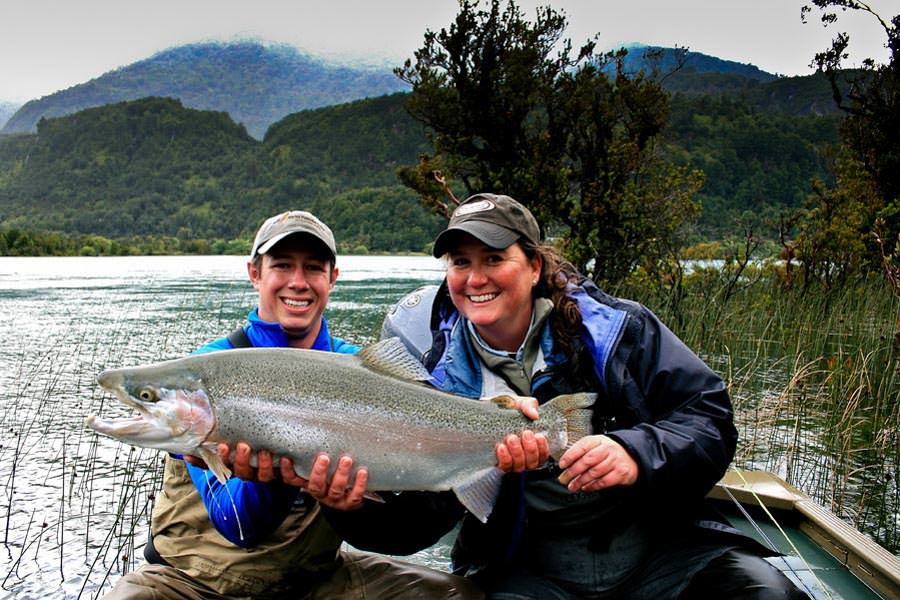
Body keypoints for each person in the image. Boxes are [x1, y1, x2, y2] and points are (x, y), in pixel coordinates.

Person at [304, 194, 810, 599]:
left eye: (494, 259)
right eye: (461, 262)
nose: (475, 278)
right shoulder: (428, 373)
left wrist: (635, 452)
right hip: (522, 568)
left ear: (533, 266)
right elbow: (410, 529)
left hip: (662, 551)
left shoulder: (618, 332)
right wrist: (350, 508)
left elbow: (711, 419)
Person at [105, 210, 480, 599]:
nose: (298, 283)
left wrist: (491, 441)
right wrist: (280, 478)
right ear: (255, 273)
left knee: (459, 595)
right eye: (282, 266)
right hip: (192, 584)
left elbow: (404, 513)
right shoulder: (204, 372)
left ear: (332, 278)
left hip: (314, 582)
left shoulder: (364, 370)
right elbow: (238, 526)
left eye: (314, 268)